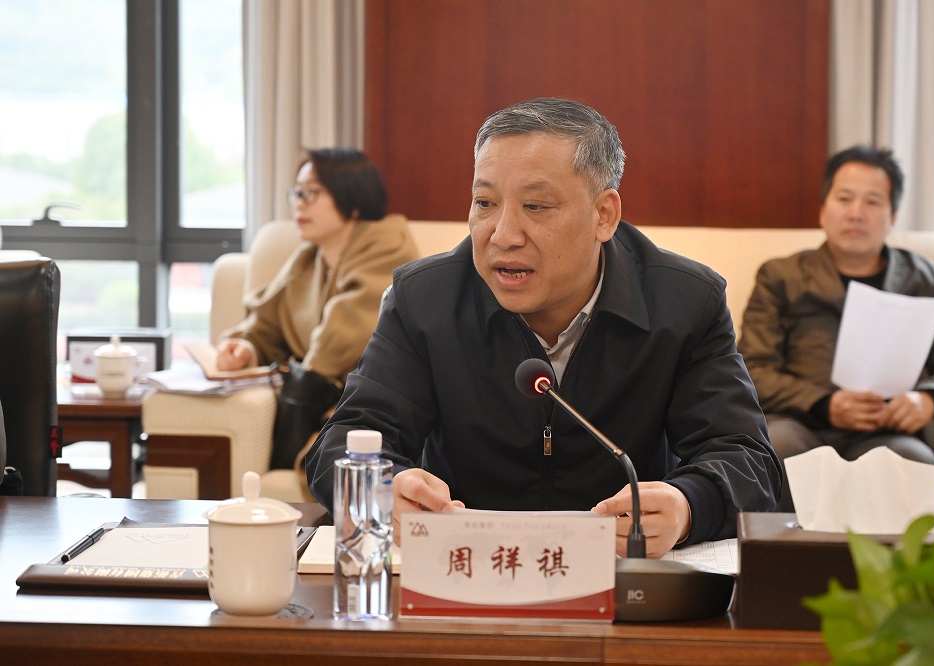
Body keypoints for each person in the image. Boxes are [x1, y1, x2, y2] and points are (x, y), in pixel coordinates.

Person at [305, 98, 780, 557]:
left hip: (619, 574)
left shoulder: (685, 302)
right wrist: (384, 490)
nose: (503, 235)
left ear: (604, 215)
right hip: (466, 569)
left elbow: (747, 459)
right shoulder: (424, 299)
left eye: (535, 206)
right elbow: (344, 441)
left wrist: (688, 505)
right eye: (485, 202)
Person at [737, 145, 934, 512]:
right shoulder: (781, 277)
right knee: (776, 449)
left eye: (872, 202)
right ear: (823, 210)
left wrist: (928, 399)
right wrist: (824, 404)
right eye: (844, 198)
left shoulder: (926, 280)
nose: (856, 213)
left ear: (892, 216)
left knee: (913, 462)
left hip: (886, 430)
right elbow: (752, 369)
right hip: (798, 423)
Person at [215, 147, 419, 387]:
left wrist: (303, 383)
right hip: (323, 394)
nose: (298, 205)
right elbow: (269, 323)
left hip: (375, 398)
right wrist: (246, 348)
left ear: (353, 198)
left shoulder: (389, 246)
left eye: (310, 193)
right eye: (296, 193)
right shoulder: (308, 258)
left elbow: (340, 340)